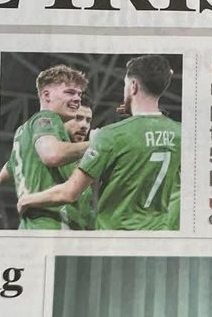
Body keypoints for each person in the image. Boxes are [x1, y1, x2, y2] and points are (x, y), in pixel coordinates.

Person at [18, 55, 181, 231]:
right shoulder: (180, 132)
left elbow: (69, 192)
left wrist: (27, 200)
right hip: (160, 234)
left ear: (133, 86)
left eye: (125, 85)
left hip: (117, 235)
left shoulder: (111, 135)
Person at [0, 64, 89, 230]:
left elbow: (4, 176)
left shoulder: (25, 132)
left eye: (79, 94)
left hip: (31, 225)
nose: (77, 98)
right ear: (47, 95)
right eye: (70, 92)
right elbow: (52, 155)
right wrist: (98, 143)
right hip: (52, 225)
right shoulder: (47, 118)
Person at [62, 99, 96, 231]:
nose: (84, 125)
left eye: (88, 120)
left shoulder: (85, 159)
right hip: (53, 232)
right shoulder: (48, 153)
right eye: (78, 118)